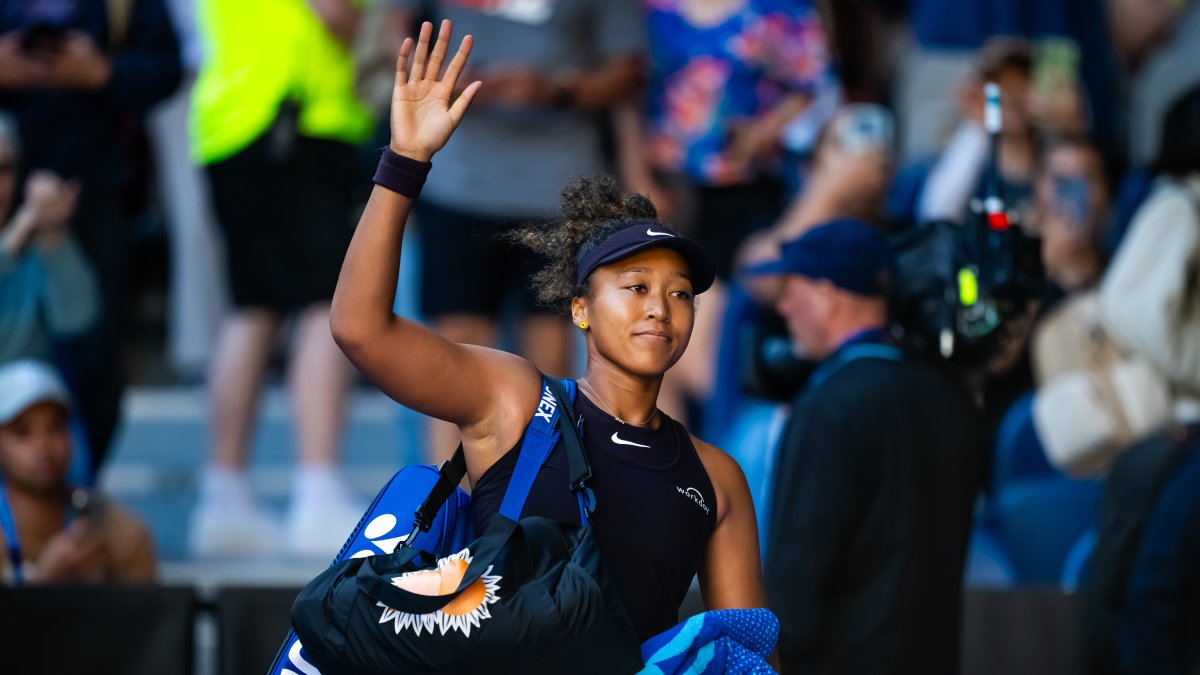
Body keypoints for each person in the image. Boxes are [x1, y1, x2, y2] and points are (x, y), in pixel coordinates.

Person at [329, 20, 768, 646]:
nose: (660, 309)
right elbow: (359, 329)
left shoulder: (717, 477)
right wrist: (405, 162)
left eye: (679, 294)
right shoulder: (513, 401)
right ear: (581, 310)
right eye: (636, 287)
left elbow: (751, 653)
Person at [379, 0, 647, 462]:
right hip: (457, 181)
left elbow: (627, 71)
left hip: (560, 189)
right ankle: (449, 515)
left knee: (550, 360)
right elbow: (392, 32)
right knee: (451, 359)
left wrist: (557, 88)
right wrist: (436, 75)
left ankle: (540, 514)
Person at [746, 219, 982, 673]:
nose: (784, 305)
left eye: (793, 286)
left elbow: (794, 593)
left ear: (828, 295)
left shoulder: (827, 406)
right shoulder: (947, 396)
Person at [185, 0, 373, 557]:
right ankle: (316, 488)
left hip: (236, 119)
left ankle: (224, 495)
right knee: (326, 305)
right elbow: (338, 14)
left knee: (254, 310)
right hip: (293, 123)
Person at [0, 0, 182, 475]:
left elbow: (166, 67)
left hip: (94, 191)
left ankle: (67, 496)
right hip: (16, 188)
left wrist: (103, 72)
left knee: (95, 354)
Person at [0, 360, 156, 584]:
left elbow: (151, 617)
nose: (43, 445)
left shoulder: (122, 534)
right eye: (23, 432)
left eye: (56, 427)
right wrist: (43, 581)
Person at [0, 113, 97, 364]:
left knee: (37, 384)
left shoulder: (33, 244)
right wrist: (19, 231)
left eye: (5, 169)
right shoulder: (22, 232)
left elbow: (77, 320)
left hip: (19, 392)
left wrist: (55, 236)